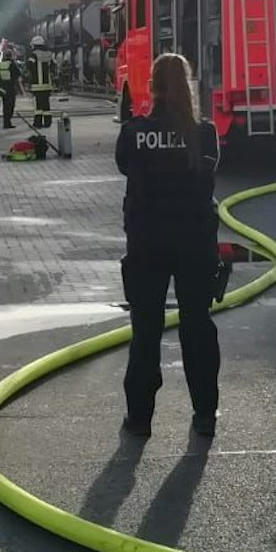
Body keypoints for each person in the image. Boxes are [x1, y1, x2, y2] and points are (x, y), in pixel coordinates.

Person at [115, 53, 221, 438]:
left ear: (152, 86)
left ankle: (140, 419)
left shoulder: (134, 132)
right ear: (188, 84)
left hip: (147, 243)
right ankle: (205, 414)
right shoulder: (204, 134)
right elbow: (209, 172)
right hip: (194, 242)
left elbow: (125, 166)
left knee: (145, 330)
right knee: (197, 325)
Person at [27, 36, 56, 128]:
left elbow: (29, 66)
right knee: (46, 104)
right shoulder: (49, 54)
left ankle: (38, 123)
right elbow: (53, 66)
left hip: (37, 84)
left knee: (38, 105)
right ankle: (47, 122)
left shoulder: (33, 55)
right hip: (47, 84)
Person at [0, 42, 23, 130]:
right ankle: (8, 122)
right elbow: (18, 74)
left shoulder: (0, 64)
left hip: (3, 88)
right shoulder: (12, 64)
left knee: (5, 106)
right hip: (11, 88)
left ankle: (6, 122)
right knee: (11, 105)